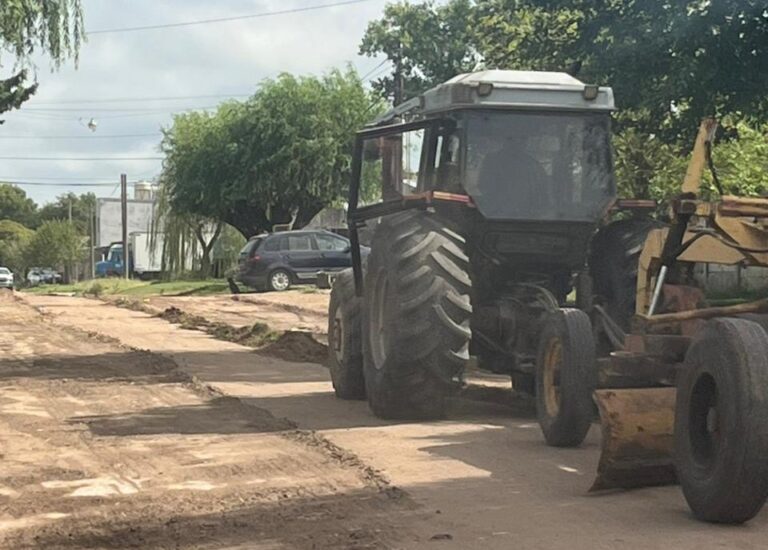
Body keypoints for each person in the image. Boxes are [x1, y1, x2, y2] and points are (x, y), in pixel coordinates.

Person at [478, 134, 550, 216]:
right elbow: (483, 186)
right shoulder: (491, 161)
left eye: (522, 139)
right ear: (506, 141)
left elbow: (542, 194)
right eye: (513, 139)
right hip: (497, 216)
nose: (519, 142)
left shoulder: (533, 165)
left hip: (527, 218)